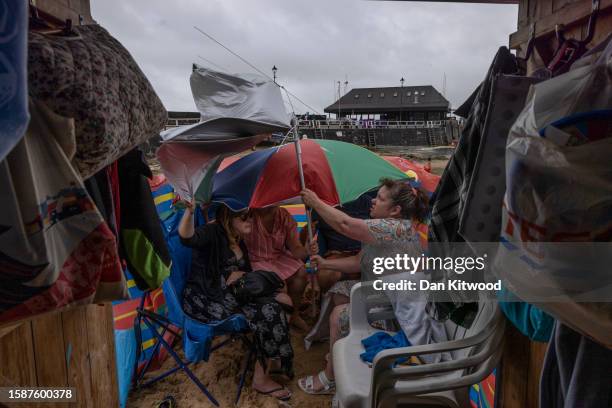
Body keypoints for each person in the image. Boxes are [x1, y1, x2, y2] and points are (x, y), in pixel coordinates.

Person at [296, 178, 431, 395]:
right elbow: (359, 261)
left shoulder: (394, 228)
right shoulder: (380, 226)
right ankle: (340, 346)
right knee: (338, 293)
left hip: (394, 310)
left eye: (380, 198)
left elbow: (345, 225)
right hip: (381, 293)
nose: (372, 201)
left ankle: (330, 379)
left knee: (339, 315)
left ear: (396, 210)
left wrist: (316, 202)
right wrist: (324, 263)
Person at [178, 202, 293, 401]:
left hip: (231, 294)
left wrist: (242, 276)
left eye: (250, 214)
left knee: (285, 299)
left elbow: (242, 273)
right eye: (243, 216)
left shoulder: (238, 239)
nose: (250, 219)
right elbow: (187, 238)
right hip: (207, 299)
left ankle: (270, 359)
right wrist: (189, 210)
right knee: (271, 309)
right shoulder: (213, 231)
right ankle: (260, 378)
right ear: (227, 217)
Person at [244, 206, 318, 331]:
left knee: (301, 272)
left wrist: (307, 250)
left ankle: (294, 314)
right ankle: (279, 321)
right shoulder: (247, 216)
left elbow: (295, 250)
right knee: (278, 283)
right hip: (254, 259)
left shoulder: (284, 216)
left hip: (279, 257)